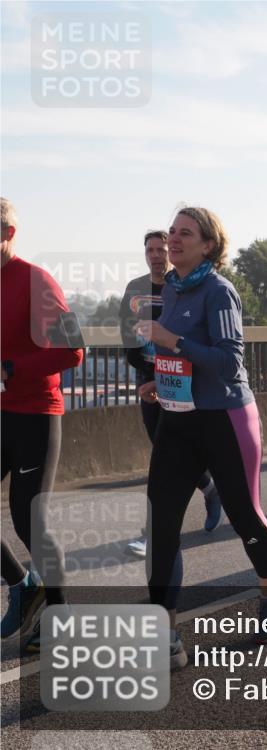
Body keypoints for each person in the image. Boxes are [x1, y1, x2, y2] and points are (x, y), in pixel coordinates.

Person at [135, 207, 267, 669]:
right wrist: (160, 382)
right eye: (171, 232)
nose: (174, 239)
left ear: (208, 244)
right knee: (160, 526)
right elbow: (180, 362)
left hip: (225, 420)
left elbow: (227, 363)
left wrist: (172, 342)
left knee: (246, 518)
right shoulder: (173, 290)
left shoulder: (219, 292)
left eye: (185, 233)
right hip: (179, 422)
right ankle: (166, 635)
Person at [0, 197, 84, 651]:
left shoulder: (35, 280)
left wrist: (10, 368)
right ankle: (21, 585)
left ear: (8, 234)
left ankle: (60, 611)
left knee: (27, 517)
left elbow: (72, 351)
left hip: (34, 414)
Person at [119, 229, 224, 559]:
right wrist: (149, 374)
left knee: (164, 461)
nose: (155, 254)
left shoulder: (181, 288)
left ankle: (153, 535)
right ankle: (210, 487)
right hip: (151, 383)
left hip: (182, 382)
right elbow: (128, 339)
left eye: (160, 248)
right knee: (163, 450)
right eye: (149, 249)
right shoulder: (135, 290)